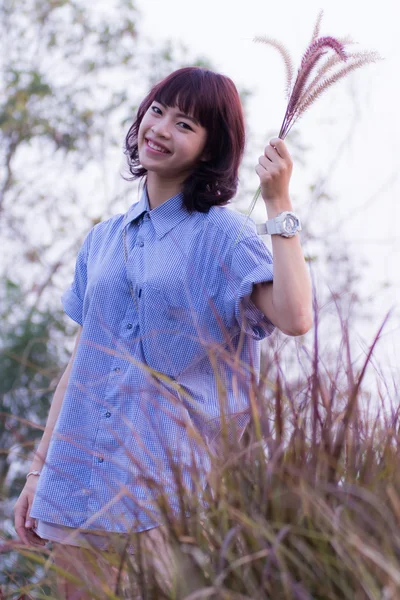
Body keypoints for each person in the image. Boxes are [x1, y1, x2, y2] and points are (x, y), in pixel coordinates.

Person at [13, 66, 312, 598]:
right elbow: (81, 363)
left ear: (210, 147)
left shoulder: (222, 234)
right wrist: (38, 471)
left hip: (169, 489)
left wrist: (277, 203)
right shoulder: (103, 239)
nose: (161, 129)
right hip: (80, 476)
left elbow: (295, 316)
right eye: (158, 111)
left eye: (185, 124)